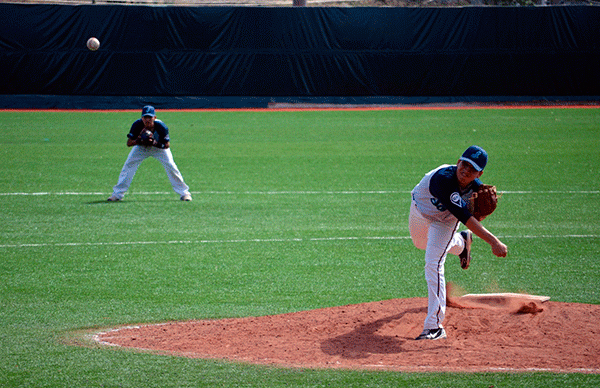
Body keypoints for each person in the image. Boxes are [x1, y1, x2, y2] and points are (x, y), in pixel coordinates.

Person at [409, 145, 507, 340]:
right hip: (420, 211)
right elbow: (468, 218)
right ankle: (461, 242)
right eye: (464, 164)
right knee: (421, 244)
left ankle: (434, 327)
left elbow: (467, 217)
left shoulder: (475, 187)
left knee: (433, 262)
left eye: (472, 169)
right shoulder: (444, 179)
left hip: (445, 221)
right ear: (458, 161)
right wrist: (493, 241)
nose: (466, 171)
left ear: (480, 173)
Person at [107, 105, 192, 202]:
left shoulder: (161, 126)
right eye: (145, 117)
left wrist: (154, 143)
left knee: (171, 166)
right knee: (128, 165)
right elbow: (129, 143)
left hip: (159, 148)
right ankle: (117, 194)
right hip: (141, 148)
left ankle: (185, 193)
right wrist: (139, 140)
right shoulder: (137, 125)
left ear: (154, 117)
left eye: (150, 117)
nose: (147, 120)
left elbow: (167, 145)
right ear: (142, 118)